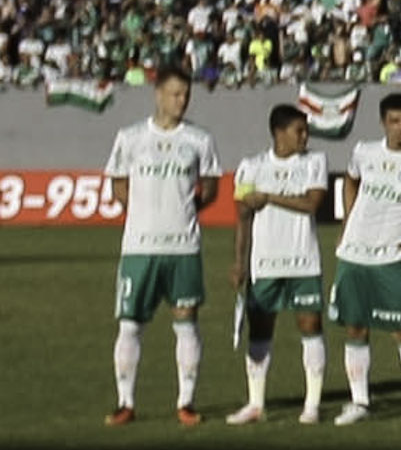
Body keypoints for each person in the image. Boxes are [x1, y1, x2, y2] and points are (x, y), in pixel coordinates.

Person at [101, 65, 219, 427]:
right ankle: (126, 402)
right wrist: (142, 214)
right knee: (130, 325)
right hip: (139, 248)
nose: (181, 101)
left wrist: (184, 212)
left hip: (183, 247)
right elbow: (118, 184)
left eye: (186, 94)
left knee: (186, 323)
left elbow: (211, 186)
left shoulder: (199, 140)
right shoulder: (131, 137)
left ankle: (186, 402)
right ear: (158, 95)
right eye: (175, 94)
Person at [329, 91, 401, 425]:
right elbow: (350, 180)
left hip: (390, 259)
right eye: (395, 121)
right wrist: (347, 222)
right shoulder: (364, 152)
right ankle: (360, 402)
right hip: (353, 254)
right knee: (355, 328)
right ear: (383, 123)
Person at [225, 102, 332, 425]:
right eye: (299, 130)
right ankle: (256, 404)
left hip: (304, 261)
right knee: (259, 331)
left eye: (306, 130)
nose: (305, 136)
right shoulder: (251, 167)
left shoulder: (315, 161)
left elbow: (312, 203)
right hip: (265, 263)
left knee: (310, 327)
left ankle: (312, 405)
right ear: (278, 133)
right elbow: (243, 217)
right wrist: (238, 262)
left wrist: (269, 197)